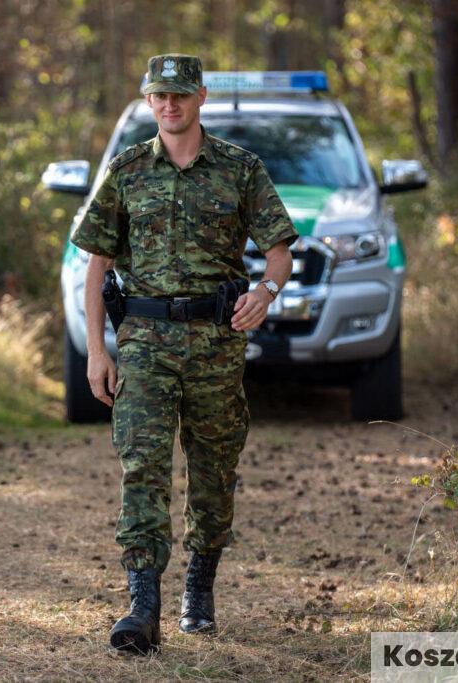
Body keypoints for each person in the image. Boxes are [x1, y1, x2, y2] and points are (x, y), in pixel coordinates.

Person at [70, 54, 297, 654]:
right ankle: (142, 604)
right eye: (160, 96)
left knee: (213, 470)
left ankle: (199, 583)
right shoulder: (126, 170)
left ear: (201, 97)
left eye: (180, 95)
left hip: (216, 345)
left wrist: (265, 292)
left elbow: (279, 251)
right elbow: (96, 268)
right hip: (144, 342)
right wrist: (96, 351)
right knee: (142, 465)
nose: (169, 105)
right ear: (149, 101)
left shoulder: (240, 168)